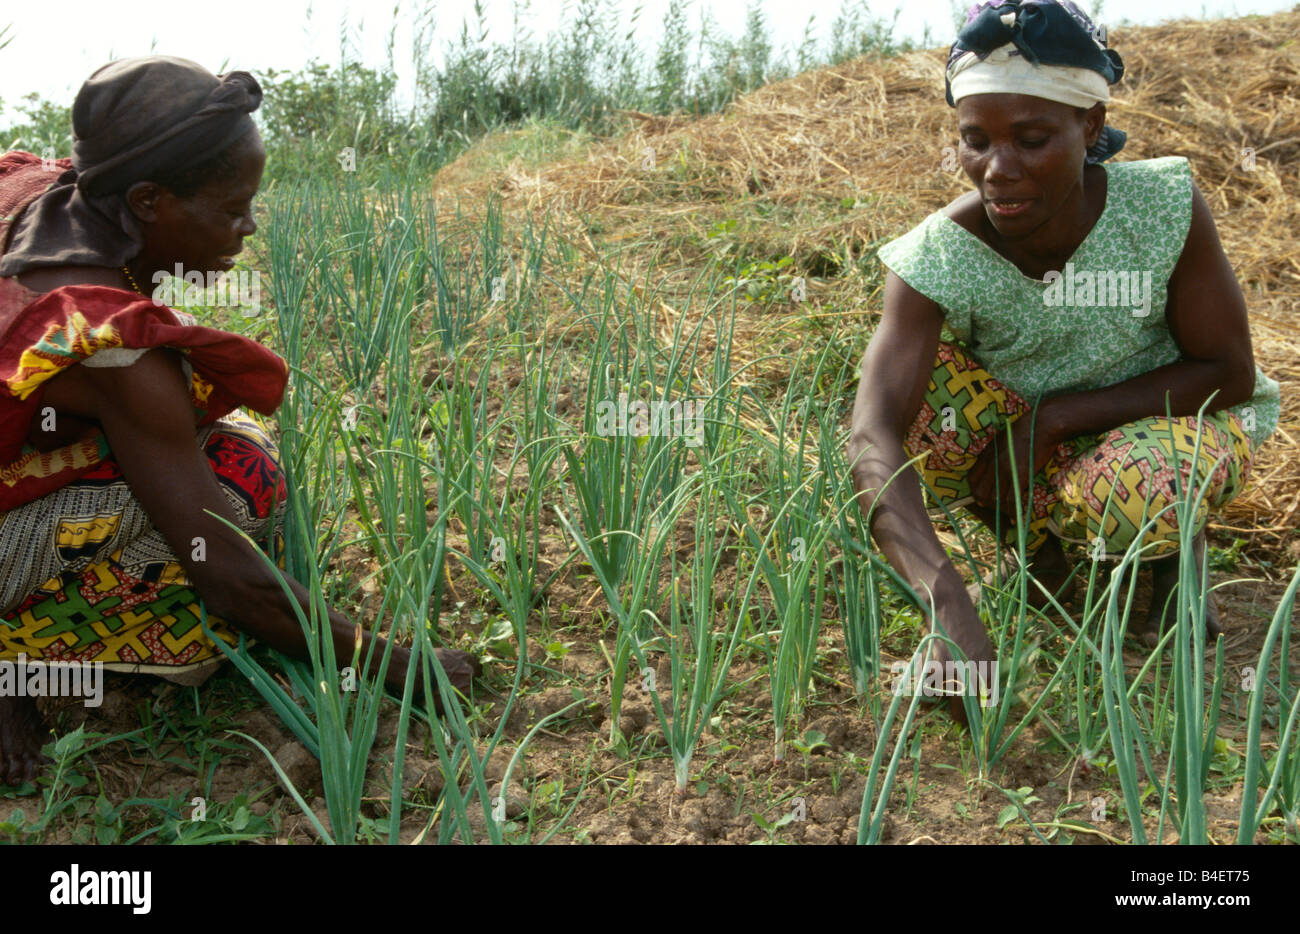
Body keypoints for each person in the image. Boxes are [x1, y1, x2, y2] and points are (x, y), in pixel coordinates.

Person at [0, 56, 479, 787]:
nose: (249, 226)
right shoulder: (117, 352)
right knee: (239, 481)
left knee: (200, 446)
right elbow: (227, 577)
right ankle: (16, 664)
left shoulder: (44, 197)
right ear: (150, 199)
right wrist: (403, 667)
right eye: (231, 209)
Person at [847, 1, 1280, 713]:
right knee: (917, 413)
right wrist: (947, 605)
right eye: (975, 141)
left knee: (1132, 491)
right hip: (1037, 447)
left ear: (1091, 127)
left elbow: (1227, 374)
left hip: (1171, 421)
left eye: (1032, 138)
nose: (998, 170)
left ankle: (1176, 552)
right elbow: (874, 433)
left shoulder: (1163, 206)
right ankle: (1040, 551)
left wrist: (1051, 419)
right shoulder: (936, 255)